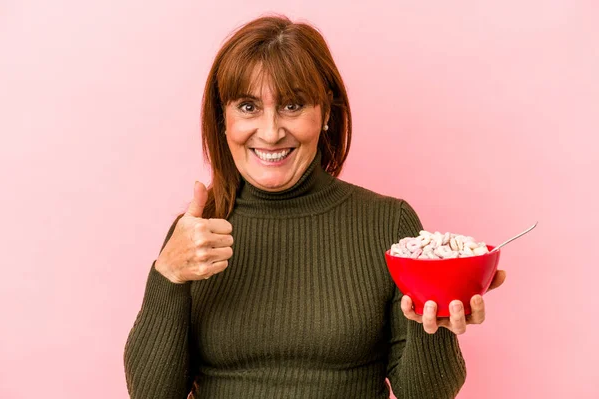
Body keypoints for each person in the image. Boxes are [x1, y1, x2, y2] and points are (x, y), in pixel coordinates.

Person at [124, 14, 506, 399]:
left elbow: (426, 394)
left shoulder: (387, 223)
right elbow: (151, 394)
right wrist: (166, 275)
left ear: (324, 113)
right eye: (248, 107)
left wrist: (435, 323)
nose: (271, 132)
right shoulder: (196, 234)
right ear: (222, 119)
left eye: (292, 106)